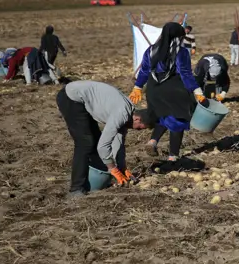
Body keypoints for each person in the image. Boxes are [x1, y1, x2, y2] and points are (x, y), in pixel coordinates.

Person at [57, 80, 153, 198]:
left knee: (95, 140)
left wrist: (122, 167)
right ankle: (76, 188)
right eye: (138, 128)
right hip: (70, 97)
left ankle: (92, 178)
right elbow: (103, 146)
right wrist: (112, 168)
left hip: (83, 101)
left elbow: (118, 144)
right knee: (85, 143)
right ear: (137, 119)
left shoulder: (128, 115)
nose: (136, 130)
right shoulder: (121, 114)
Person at [130, 22, 207, 161]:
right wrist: (197, 91)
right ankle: (173, 157)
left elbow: (144, 71)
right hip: (174, 90)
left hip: (153, 89)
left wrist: (138, 87)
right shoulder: (181, 52)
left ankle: (152, 141)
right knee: (178, 121)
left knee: (162, 116)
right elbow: (185, 73)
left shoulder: (151, 50)